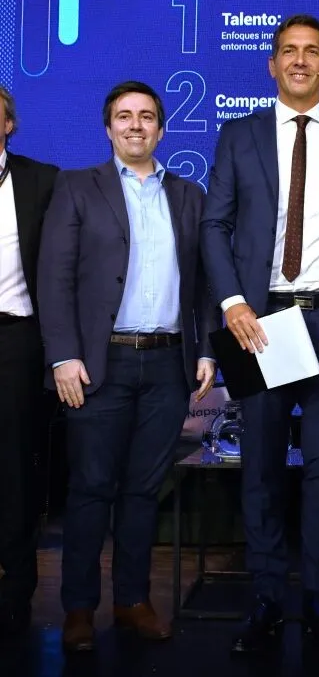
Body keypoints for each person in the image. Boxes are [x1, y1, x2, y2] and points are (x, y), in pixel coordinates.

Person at [200, 14, 319, 653]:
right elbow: (214, 225)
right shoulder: (239, 134)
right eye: (288, 52)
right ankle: (268, 599)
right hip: (261, 321)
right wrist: (232, 302)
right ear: (271, 65)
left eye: (312, 52)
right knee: (262, 468)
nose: (300, 61)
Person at [37, 81, 217, 652]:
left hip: (168, 364)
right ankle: (79, 608)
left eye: (145, 116)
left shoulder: (189, 195)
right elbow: (54, 277)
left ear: (162, 128)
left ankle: (133, 601)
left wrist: (206, 349)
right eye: (124, 116)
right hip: (98, 364)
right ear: (108, 127)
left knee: (143, 491)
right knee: (91, 489)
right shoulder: (76, 187)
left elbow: (205, 280)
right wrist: (63, 355)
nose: (135, 125)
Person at [0, 85, 58, 634]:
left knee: (15, 472)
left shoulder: (42, 181)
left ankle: (15, 592)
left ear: (9, 124)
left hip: (15, 342)